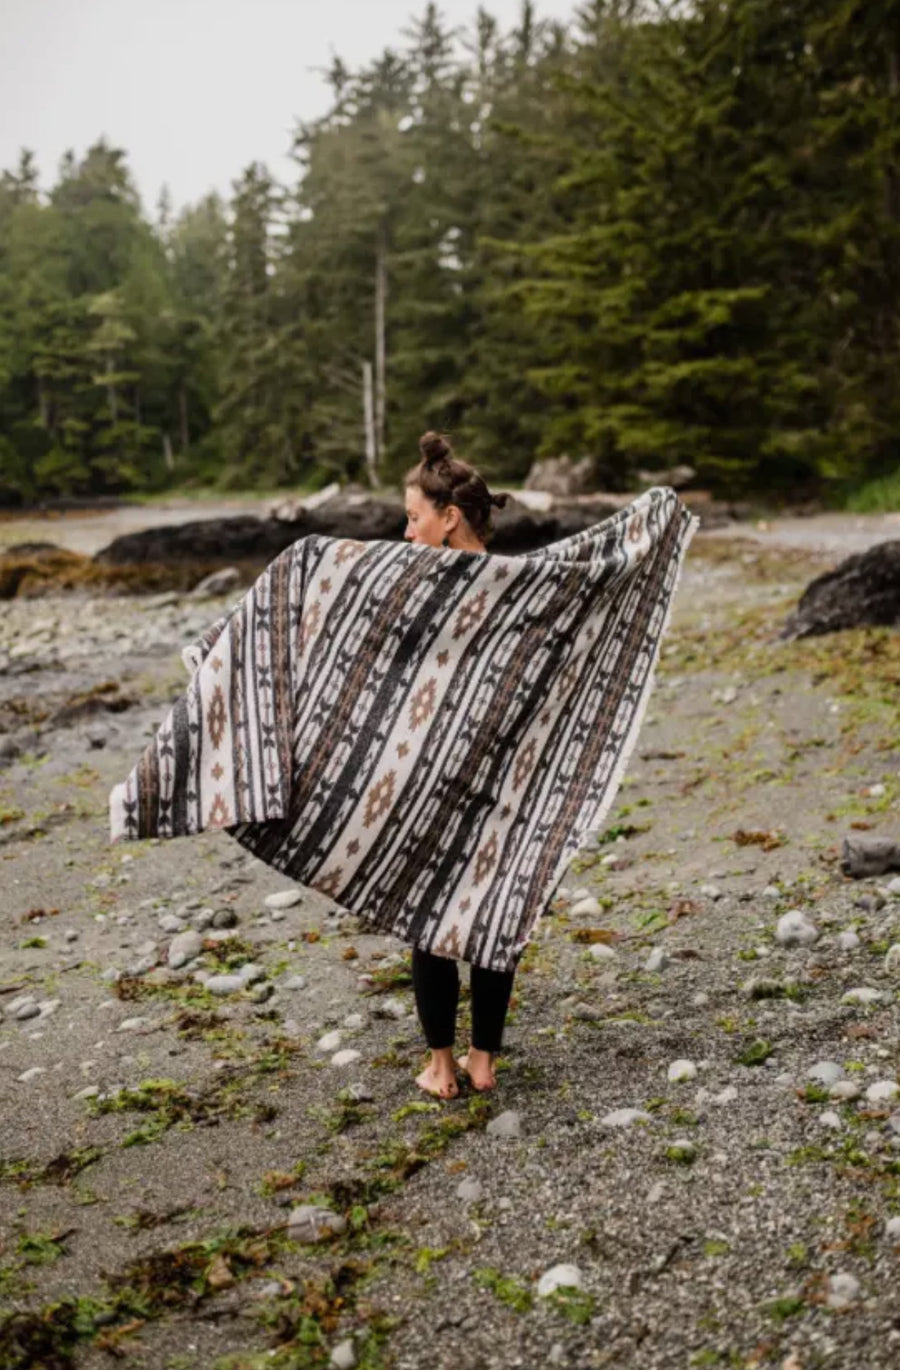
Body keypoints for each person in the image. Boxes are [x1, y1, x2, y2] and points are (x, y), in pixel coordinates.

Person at [403, 430, 514, 1099]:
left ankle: (441, 1066)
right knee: (498, 909)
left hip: (435, 775)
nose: (405, 530)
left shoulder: (415, 589)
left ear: (449, 518)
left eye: (413, 517)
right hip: (508, 774)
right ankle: (483, 1060)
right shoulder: (523, 584)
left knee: (430, 914)